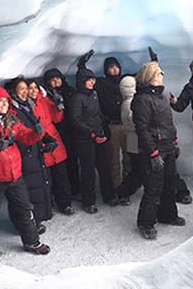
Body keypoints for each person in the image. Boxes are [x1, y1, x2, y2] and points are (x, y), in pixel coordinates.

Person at [0, 86, 50, 261]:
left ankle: (32, 241)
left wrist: (38, 133)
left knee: (25, 208)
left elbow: (25, 136)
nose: (4, 104)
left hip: (14, 174)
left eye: (6, 100)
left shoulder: (12, 121)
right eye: (0, 101)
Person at [132, 61, 184, 240]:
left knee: (170, 184)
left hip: (168, 146)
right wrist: (153, 153)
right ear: (150, 76)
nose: (162, 75)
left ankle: (167, 215)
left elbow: (168, 123)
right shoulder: (142, 100)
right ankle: (146, 223)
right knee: (154, 188)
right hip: (154, 150)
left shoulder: (161, 97)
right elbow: (142, 129)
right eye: (158, 73)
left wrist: (174, 141)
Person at [67, 59, 119, 213]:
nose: (91, 82)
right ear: (82, 82)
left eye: (92, 80)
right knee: (88, 171)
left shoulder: (94, 95)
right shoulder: (77, 98)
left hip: (98, 137)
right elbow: (75, 120)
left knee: (104, 167)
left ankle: (109, 196)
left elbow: (98, 115)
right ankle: (89, 201)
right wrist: (91, 133)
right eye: (88, 80)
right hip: (85, 141)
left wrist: (104, 131)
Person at [5, 77, 52, 233]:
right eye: (21, 89)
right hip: (23, 154)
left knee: (35, 187)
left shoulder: (25, 107)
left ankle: (34, 220)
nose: (25, 92)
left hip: (32, 152)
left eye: (26, 88)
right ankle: (24, 224)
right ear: (14, 91)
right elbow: (19, 133)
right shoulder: (13, 111)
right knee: (25, 191)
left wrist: (45, 139)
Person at [80, 51, 129, 191]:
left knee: (129, 156)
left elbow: (143, 75)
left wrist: (154, 60)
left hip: (127, 125)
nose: (114, 70)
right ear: (106, 70)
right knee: (113, 158)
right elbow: (87, 80)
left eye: (116, 67)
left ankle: (128, 186)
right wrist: (82, 65)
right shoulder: (101, 83)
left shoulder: (125, 81)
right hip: (111, 126)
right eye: (111, 67)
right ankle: (117, 187)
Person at [28, 80, 74, 215]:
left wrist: (58, 107)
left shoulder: (44, 101)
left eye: (35, 88)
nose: (33, 91)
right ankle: (48, 205)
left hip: (55, 141)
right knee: (45, 179)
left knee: (62, 176)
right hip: (41, 144)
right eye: (30, 88)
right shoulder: (26, 107)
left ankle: (65, 203)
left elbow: (57, 119)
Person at [42, 67, 80, 198]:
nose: (55, 81)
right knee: (62, 164)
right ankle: (62, 191)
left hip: (72, 131)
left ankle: (75, 189)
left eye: (57, 78)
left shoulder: (70, 91)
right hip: (58, 133)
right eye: (52, 80)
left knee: (73, 161)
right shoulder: (47, 97)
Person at [115, 75, 143, 203]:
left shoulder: (124, 103)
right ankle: (124, 190)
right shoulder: (132, 103)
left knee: (134, 164)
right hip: (137, 136)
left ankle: (124, 189)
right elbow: (137, 121)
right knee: (137, 166)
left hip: (131, 137)